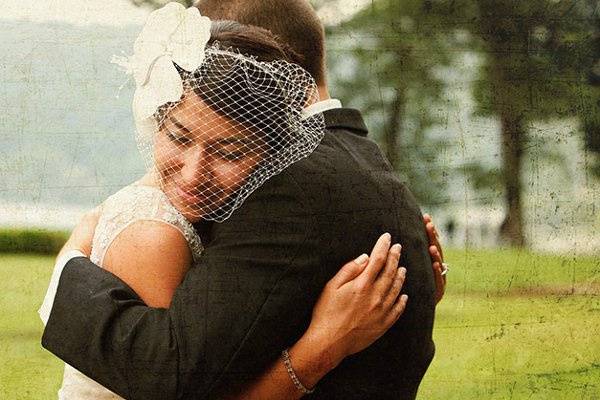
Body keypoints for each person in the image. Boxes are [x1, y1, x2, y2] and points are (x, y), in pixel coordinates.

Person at [42, 1, 448, 399]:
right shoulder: (366, 162)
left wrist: (70, 265)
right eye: (180, 136)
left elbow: (177, 369)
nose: (196, 170)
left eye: (230, 151)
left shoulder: (287, 179)